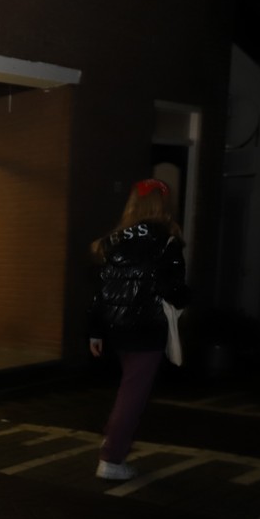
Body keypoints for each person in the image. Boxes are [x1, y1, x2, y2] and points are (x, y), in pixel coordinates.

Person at [87, 177, 191, 481]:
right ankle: (112, 458)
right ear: (163, 204)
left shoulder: (112, 241)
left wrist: (95, 331)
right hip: (147, 328)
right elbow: (173, 289)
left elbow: (99, 292)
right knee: (134, 393)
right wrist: (186, 299)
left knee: (128, 387)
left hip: (115, 327)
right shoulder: (167, 241)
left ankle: (112, 439)